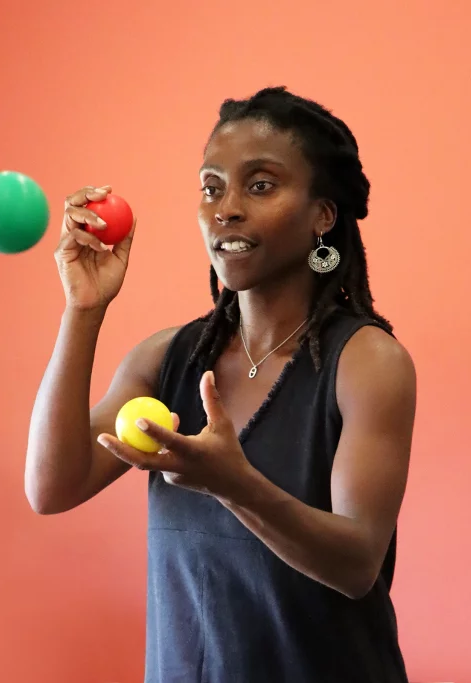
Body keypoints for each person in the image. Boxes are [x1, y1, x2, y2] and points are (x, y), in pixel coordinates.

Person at [25, 86, 417, 683]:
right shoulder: (168, 359)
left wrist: (234, 485)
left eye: (260, 185)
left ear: (322, 215)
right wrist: (84, 311)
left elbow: (357, 562)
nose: (225, 208)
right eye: (212, 187)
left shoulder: (367, 362)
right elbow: (52, 487)